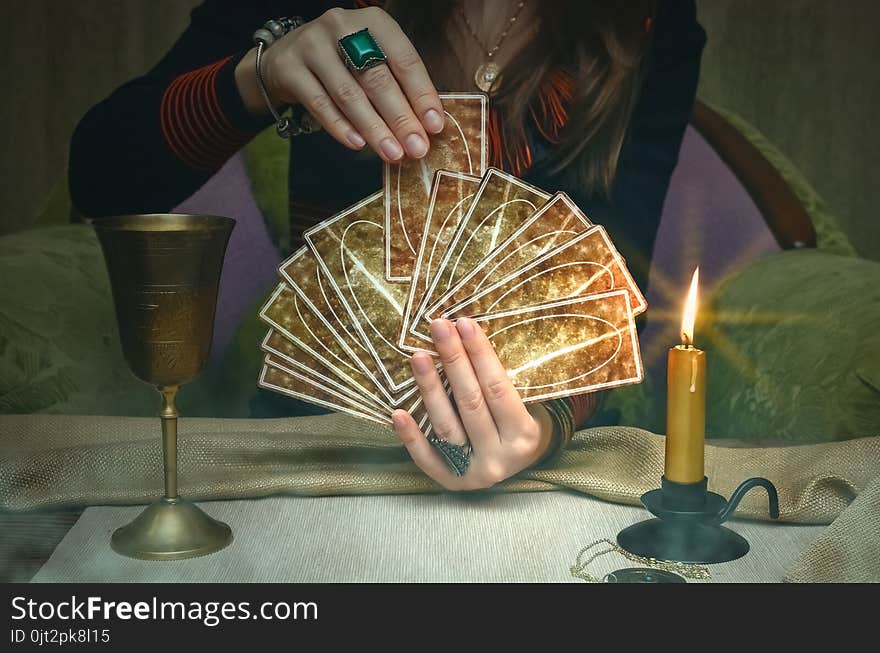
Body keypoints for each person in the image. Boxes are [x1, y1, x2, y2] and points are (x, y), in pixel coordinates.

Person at [68, 0, 705, 490]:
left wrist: (546, 422)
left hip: (541, 459)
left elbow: (614, 276)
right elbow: (101, 178)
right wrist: (260, 77)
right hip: (317, 442)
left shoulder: (648, 16)